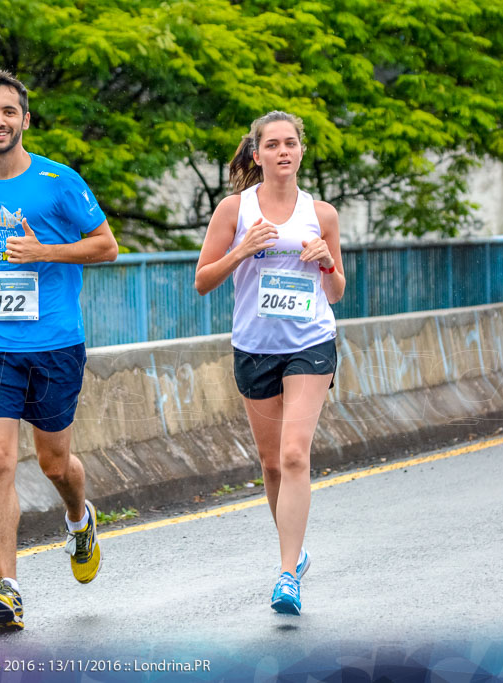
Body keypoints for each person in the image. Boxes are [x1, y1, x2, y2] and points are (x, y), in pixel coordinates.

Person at [0, 68, 118, 631]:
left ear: (25, 120)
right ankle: (7, 590)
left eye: (8, 112)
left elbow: (107, 247)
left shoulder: (59, 180)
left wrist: (47, 251)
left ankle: (78, 518)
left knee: (54, 462)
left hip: (55, 342)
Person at [194, 111, 345, 615]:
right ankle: (295, 553)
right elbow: (202, 280)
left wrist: (326, 261)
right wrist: (242, 250)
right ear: (256, 154)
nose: (283, 151)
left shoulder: (320, 213)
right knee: (271, 463)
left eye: (291, 143)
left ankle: (285, 577)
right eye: (273, 144)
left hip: (310, 342)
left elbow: (338, 290)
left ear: (302, 151)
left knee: (296, 454)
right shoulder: (234, 210)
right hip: (255, 347)